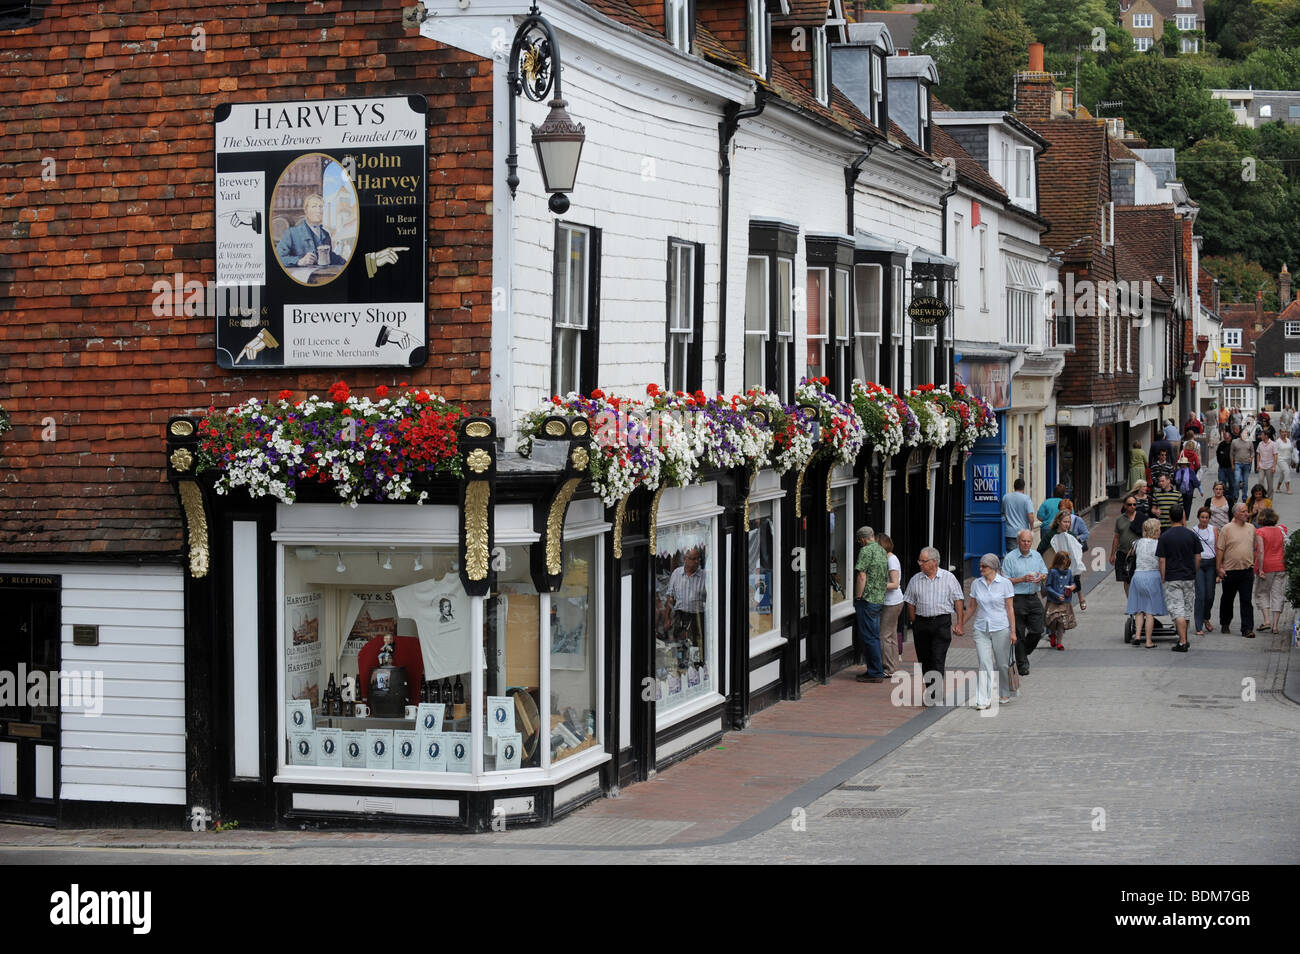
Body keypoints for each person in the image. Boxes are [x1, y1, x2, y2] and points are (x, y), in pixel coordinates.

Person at [902, 547, 965, 703]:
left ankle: (934, 693)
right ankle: (932, 688)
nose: (920, 564)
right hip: (921, 623)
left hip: (941, 622)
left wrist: (960, 623)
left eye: (923, 561)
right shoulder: (915, 579)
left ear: (934, 562)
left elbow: (958, 600)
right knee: (925, 659)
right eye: (920, 561)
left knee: (937, 657)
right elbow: (909, 602)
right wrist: (914, 622)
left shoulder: (949, 578)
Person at [965, 554, 1017, 709]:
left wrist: (1013, 631)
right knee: (984, 663)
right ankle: (983, 699)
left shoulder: (1005, 583)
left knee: (1002, 664)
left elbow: (1009, 608)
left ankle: (1004, 691)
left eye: (984, 566)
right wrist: (961, 623)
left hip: (1001, 627)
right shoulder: (976, 583)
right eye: (980, 566)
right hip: (981, 628)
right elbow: (972, 606)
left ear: (993, 567)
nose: (980, 569)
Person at [1004, 529, 1047, 676]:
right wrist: (1022, 579)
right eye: (1023, 541)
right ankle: (1022, 664)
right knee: (1019, 633)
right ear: (1018, 541)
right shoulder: (1010, 558)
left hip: (1033, 597)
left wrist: (1041, 576)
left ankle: (1021, 654)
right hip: (1017, 598)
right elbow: (1005, 581)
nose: (1026, 544)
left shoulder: (1036, 556)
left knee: (1038, 630)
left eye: (1029, 541)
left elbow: (1044, 572)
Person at [1157, 504, 1200, 653]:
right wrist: (1195, 571)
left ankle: (1182, 642)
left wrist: (1163, 576)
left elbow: (1162, 559)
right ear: (1183, 516)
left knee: (1177, 610)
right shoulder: (1191, 535)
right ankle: (1185, 637)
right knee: (1187, 609)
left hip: (1172, 577)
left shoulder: (1165, 536)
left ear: (1169, 517)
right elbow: (1198, 556)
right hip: (1188, 577)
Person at [1126, 518, 1168, 648]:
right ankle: (1149, 641)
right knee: (1149, 611)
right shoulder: (1159, 544)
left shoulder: (1137, 543)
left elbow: (1129, 557)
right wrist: (1163, 577)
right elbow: (1162, 561)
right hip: (1152, 576)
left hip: (1138, 576)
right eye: (1159, 528)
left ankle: (1138, 636)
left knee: (1139, 609)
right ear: (1155, 530)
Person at [1217, 502, 1257, 639]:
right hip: (1230, 570)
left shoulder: (1251, 528)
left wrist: (1254, 564)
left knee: (1246, 600)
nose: (1246, 514)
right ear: (1235, 514)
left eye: (1247, 511)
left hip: (1247, 570)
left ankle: (1247, 628)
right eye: (1243, 512)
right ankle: (1225, 622)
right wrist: (1219, 568)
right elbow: (1220, 549)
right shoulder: (1227, 529)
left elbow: (1255, 547)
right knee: (1228, 599)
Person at [853, 527, 888, 683]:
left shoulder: (866, 551)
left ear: (862, 539)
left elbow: (861, 575)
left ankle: (875, 672)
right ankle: (875, 669)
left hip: (868, 600)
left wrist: (858, 597)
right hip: (879, 598)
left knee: (869, 637)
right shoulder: (881, 550)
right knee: (874, 636)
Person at [275, 194, 348, 267]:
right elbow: (278, 258)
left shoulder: (326, 234)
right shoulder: (292, 233)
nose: (319, 210)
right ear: (306, 211)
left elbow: (330, 256)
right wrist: (299, 261)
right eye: (314, 206)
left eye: (321, 207)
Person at [1253, 508, 1289, 634]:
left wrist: (1261, 569)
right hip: (1281, 565)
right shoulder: (1281, 529)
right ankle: (1275, 626)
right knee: (1277, 594)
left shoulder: (1260, 532)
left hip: (1267, 566)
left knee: (1262, 592)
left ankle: (1267, 620)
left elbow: (1260, 551)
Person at [1049, 510, 1087, 612]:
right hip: (1058, 566)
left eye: (1069, 522)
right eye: (1065, 522)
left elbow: (1077, 549)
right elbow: (1041, 549)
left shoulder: (1071, 535)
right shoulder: (1051, 535)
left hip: (1071, 563)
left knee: (1075, 580)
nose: (1067, 524)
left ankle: (1080, 598)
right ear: (1058, 522)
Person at [878, 533, 905, 677]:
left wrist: (877, 585)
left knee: (884, 635)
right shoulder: (890, 558)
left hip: (891, 602)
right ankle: (892, 665)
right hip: (894, 601)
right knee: (891, 634)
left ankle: (887, 668)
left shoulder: (891, 560)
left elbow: (894, 584)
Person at [1043, 551, 1077, 650]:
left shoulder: (1069, 572)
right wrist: (1057, 595)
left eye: (1066, 562)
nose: (1064, 565)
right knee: (1053, 619)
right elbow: (1048, 586)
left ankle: (1059, 642)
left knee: (1062, 621)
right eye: (1063, 562)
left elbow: (1073, 583)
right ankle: (1052, 634)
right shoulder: (1053, 572)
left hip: (1065, 601)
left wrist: (1072, 587)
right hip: (1053, 601)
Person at [1192, 506, 1218, 636]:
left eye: (1207, 517)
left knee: (1210, 595)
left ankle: (1206, 617)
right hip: (1199, 564)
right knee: (1200, 595)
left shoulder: (1213, 529)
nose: (1204, 520)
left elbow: (1218, 548)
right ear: (1198, 518)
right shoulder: (1194, 531)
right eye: (1202, 517)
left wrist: (1219, 566)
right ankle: (1198, 625)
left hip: (1211, 563)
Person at [1110, 494, 1142, 598]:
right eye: (1129, 504)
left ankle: (1137, 600)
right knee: (1126, 579)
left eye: (1134, 504)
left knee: (1137, 578)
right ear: (1124, 505)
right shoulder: (1120, 520)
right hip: (1123, 552)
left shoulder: (1141, 518)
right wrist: (1112, 554)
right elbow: (1116, 537)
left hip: (1138, 554)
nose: (1132, 506)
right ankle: (1130, 602)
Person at [1001, 477, 1036, 554]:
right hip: (1023, 532)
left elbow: (1003, 513)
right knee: (1022, 554)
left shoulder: (1006, 497)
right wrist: (1032, 528)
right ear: (1024, 487)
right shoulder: (1026, 499)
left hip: (1009, 532)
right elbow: (1030, 516)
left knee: (1012, 554)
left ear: (1014, 486)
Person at [1036, 483, 1067, 553]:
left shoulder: (1046, 502)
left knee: (1045, 550)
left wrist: (1047, 519)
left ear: (1054, 492)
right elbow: (1070, 517)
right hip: (1061, 529)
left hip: (1046, 529)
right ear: (1064, 494)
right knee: (1060, 550)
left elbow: (1039, 516)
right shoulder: (1066, 503)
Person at [1231, 426, 1254, 504]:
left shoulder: (1250, 442)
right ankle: (1236, 496)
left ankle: (1244, 497)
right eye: (1243, 433)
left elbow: (1252, 452)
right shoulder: (1234, 442)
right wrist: (1232, 464)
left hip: (1247, 464)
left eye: (1246, 434)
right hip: (1237, 463)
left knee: (1245, 482)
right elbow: (1231, 454)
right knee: (1237, 480)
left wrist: (1251, 458)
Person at [1255, 429, 1278, 498]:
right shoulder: (1260, 444)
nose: (1260, 436)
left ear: (1266, 436)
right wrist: (1258, 464)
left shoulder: (1273, 444)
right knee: (1260, 480)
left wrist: (1274, 466)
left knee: (1270, 483)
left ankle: (1270, 498)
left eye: (1262, 435)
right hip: (1262, 465)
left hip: (1270, 466)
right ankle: (1262, 496)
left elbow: (1275, 455)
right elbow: (1258, 454)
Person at [1215, 429, 1235, 501]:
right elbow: (1218, 454)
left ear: (1230, 437)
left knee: (1232, 483)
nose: (1226, 439)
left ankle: (1231, 497)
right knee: (1222, 482)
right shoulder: (1221, 445)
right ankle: (1223, 496)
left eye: (1227, 438)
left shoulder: (1233, 444)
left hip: (1230, 467)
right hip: (1222, 467)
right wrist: (1220, 462)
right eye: (1225, 438)